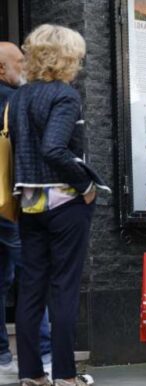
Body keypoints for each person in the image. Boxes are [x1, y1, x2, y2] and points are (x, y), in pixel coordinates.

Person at [9, 25, 103, 386]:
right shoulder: (64, 96)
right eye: (76, 56)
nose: (79, 62)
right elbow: (54, 148)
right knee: (64, 287)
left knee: (31, 287)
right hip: (65, 201)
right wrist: (87, 185)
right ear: (64, 58)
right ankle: (65, 375)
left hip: (29, 202)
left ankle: (32, 374)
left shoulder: (19, 96)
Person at [0, 42, 53, 378]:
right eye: (19, 61)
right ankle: (45, 355)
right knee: (34, 274)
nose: (24, 65)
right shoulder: (15, 101)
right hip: (11, 202)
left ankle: (2, 356)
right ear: (1, 69)